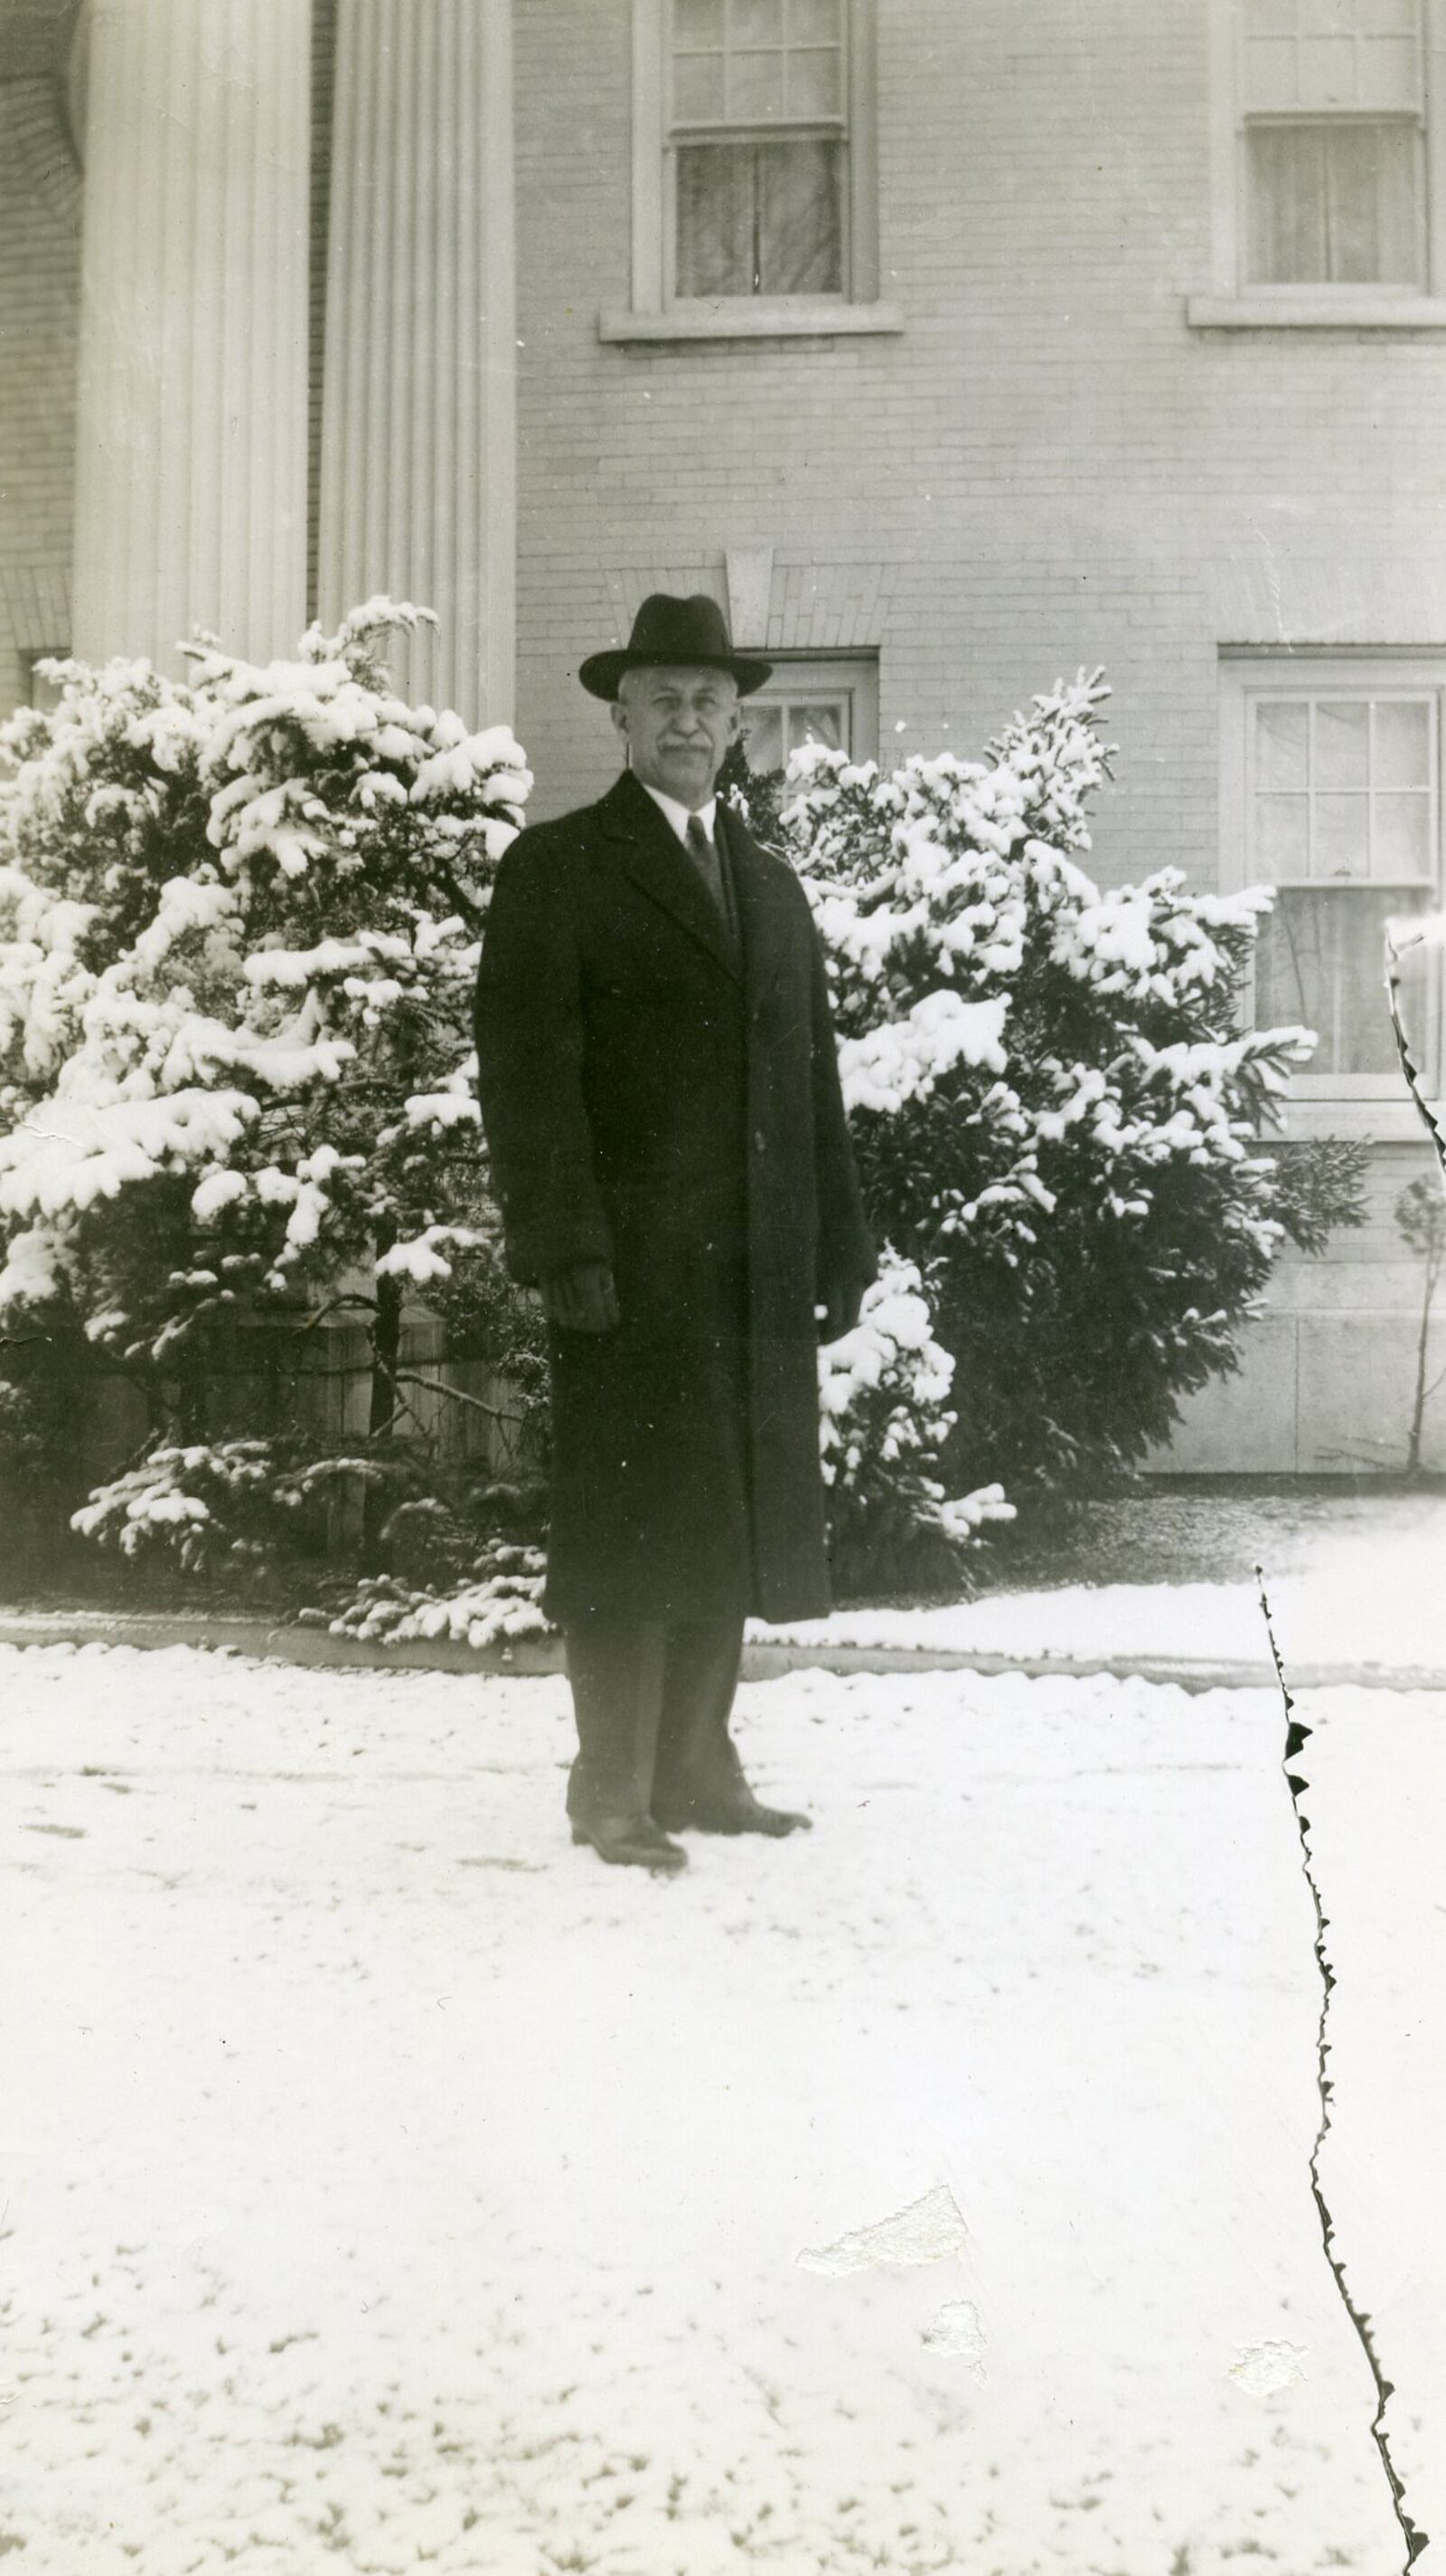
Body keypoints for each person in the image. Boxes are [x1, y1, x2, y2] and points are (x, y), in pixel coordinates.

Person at [474, 592, 874, 1872]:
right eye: (664, 697)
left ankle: (699, 1767)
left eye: (711, 699)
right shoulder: (559, 869)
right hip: (631, 1271)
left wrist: (837, 1246)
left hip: (756, 1265)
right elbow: (527, 1078)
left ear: (737, 720)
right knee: (631, 1523)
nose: (689, 717)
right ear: (622, 713)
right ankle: (613, 1790)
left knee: (734, 1518)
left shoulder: (769, 887)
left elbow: (811, 1080)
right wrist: (565, 1246)